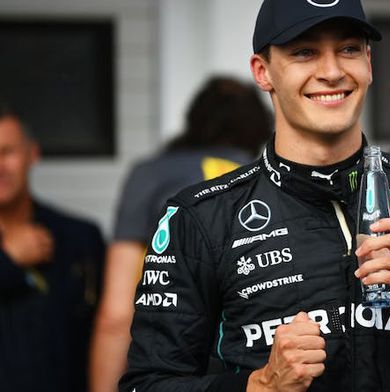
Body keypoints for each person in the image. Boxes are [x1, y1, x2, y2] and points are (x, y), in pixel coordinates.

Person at [120, 0, 390, 392]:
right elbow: (146, 385)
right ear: (263, 72)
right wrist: (260, 386)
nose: (332, 71)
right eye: (305, 53)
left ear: (368, 64)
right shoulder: (201, 217)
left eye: (349, 49)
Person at [90, 76, 272, 392]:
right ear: (258, 129)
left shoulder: (150, 175)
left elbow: (116, 316)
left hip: (166, 363)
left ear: (194, 119)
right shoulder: (265, 179)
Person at [0, 102, 105, 392]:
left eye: (7, 153)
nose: (0, 167)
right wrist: (7, 260)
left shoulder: (79, 237)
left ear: (32, 154)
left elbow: (109, 329)